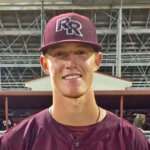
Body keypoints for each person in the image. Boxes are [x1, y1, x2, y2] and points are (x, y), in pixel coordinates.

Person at [0, 12, 150, 150]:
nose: (71, 63)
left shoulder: (132, 141)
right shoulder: (16, 141)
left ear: (97, 61)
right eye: (60, 54)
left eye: (81, 52)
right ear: (45, 64)